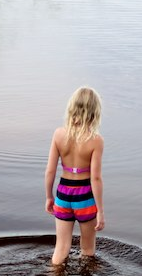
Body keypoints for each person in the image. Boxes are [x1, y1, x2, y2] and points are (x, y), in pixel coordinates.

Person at [45, 86, 105, 265]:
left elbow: (50, 170)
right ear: (95, 112)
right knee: (87, 249)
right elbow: (96, 178)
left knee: (61, 247)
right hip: (85, 196)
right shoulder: (96, 140)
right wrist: (100, 211)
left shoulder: (59, 134)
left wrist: (49, 196)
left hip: (63, 194)